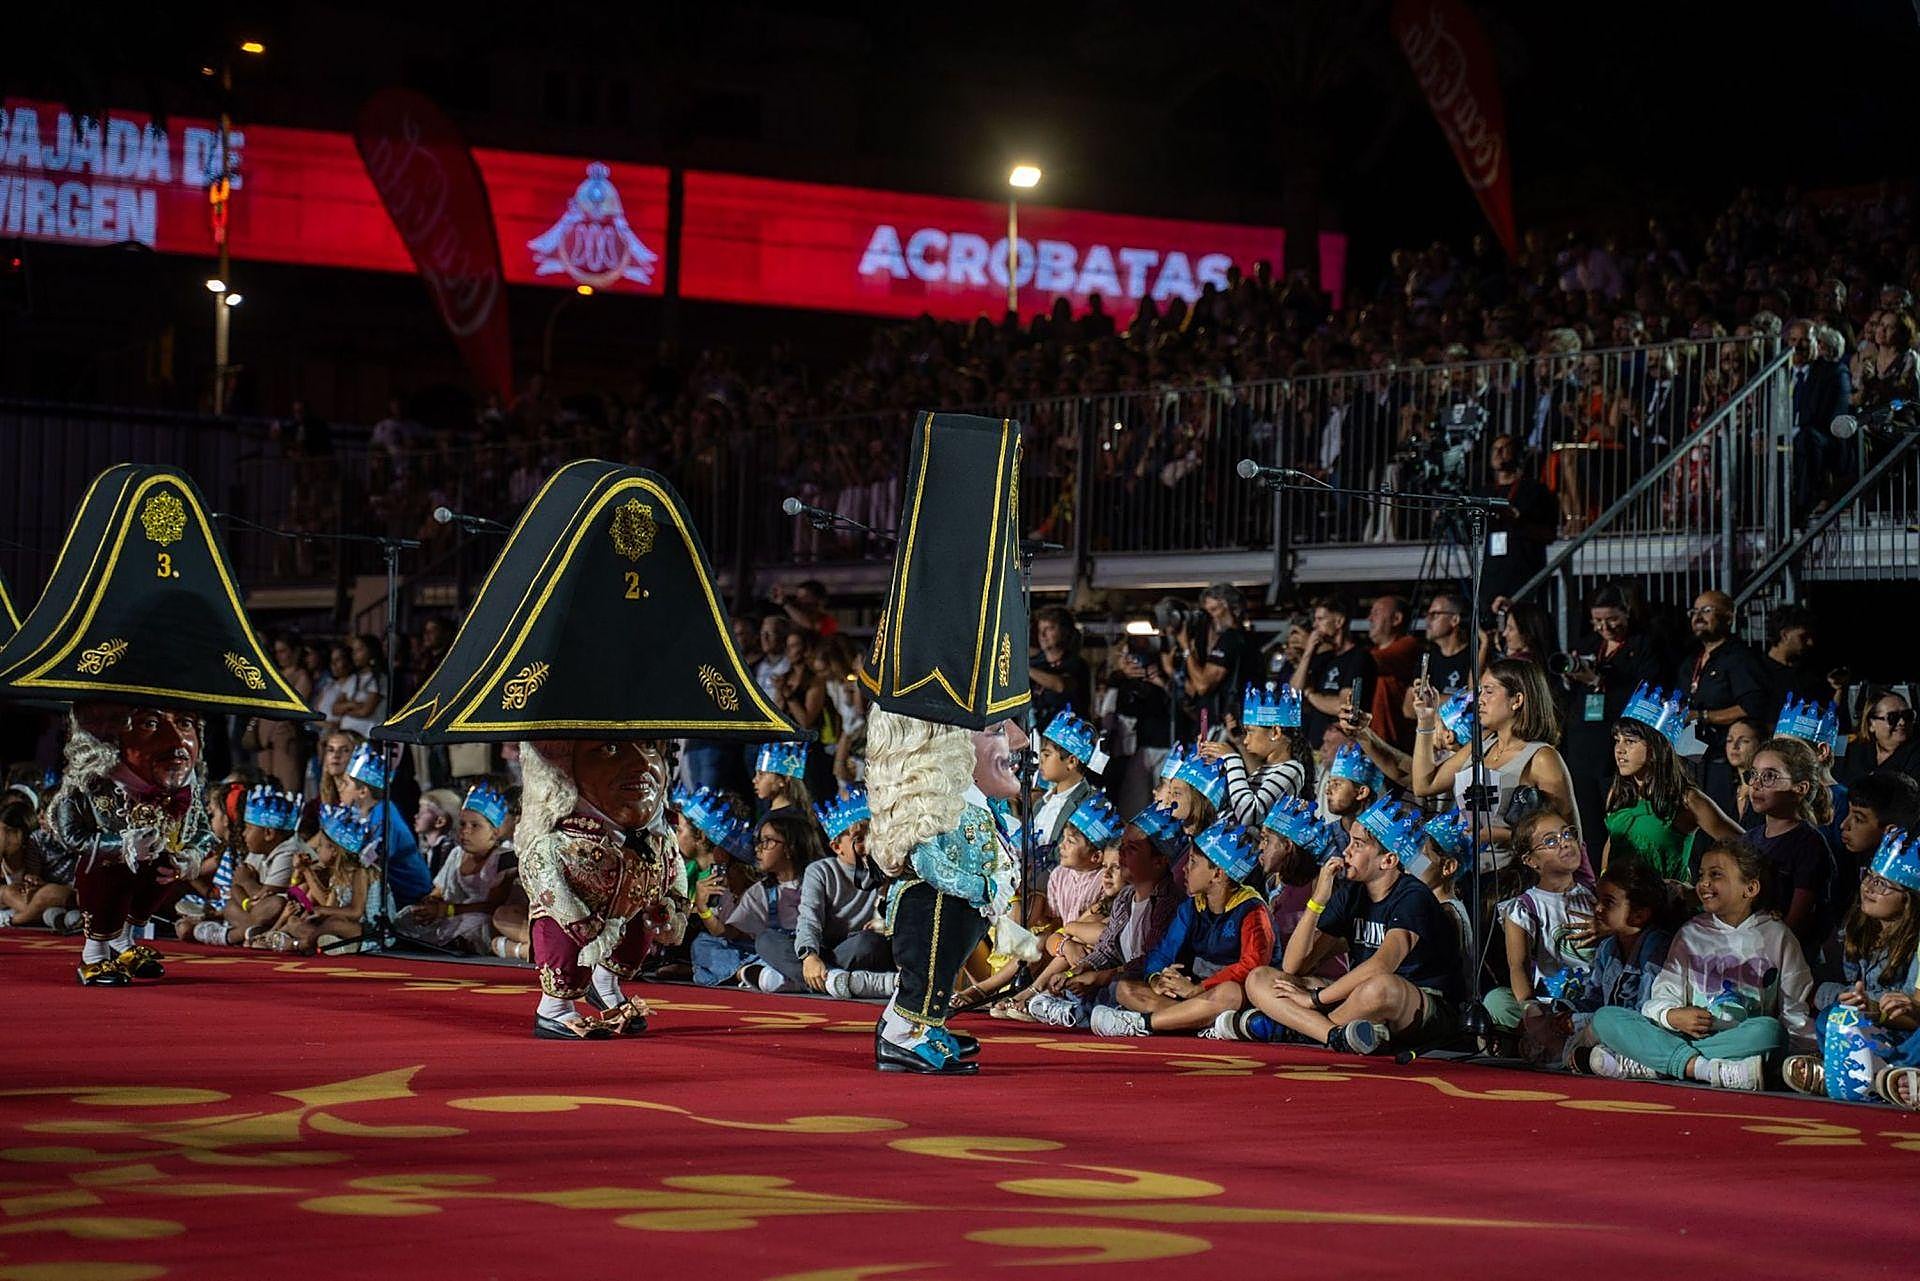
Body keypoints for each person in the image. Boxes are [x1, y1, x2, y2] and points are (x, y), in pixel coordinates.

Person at [1228, 795, 1466, 1055]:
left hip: (1421, 1004)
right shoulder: (1351, 893)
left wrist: (1314, 1000)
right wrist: (1317, 902)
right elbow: (1294, 965)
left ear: (1388, 860)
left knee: (1381, 987)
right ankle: (1333, 1035)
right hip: (1357, 1000)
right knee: (1260, 978)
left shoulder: (1413, 896)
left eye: (1358, 844)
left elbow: (1382, 965)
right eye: (1350, 841)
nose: (1346, 851)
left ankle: (1294, 1029)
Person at [866, 708, 1025, 1074]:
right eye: (998, 729)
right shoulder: (936, 801)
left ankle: (912, 1028)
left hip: (958, 910)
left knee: (940, 973)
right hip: (932, 906)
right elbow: (929, 864)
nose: (1019, 740)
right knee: (926, 976)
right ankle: (905, 1040)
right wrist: (983, 887)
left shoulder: (972, 801)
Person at [1587, 839, 1815, 1091]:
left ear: (1749, 888)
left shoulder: (1777, 936)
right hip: (1684, 1035)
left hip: (1738, 1040)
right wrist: (1673, 1016)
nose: (1703, 883)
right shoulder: (1691, 933)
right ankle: (1702, 1069)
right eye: (1701, 875)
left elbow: (1794, 1011)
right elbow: (1658, 999)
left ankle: (1658, 1063)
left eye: (1715, 875)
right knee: (1606, 1018)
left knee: (1770, 1032)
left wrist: (1799, 1060)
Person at [518, 738, 689, 1040]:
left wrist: (674, 906)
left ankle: (606, 984)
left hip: (631, 907)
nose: (643, 764)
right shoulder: (560, 843)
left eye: (649, 746)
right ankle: (555, 1008)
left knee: (639, 932)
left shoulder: (657, 834)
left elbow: (674, 868)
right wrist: (585, 927)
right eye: (610, 748)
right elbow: (542, 876)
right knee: (563, 938)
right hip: (578, 921)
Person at [1093, 819, 1272, 1037]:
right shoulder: (1191, 907)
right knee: (1125, 988)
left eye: (1193, 863)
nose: (1185, 869)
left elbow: (1251, 965)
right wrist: (1158, 979)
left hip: (1229, 993)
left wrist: (1200, 988)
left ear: (1218, 874)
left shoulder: (1251, 909)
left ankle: (1145, 1023)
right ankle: (1203, 1023)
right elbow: (1161, 953)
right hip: (1196, 995)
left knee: (1229, 993)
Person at [1783, 828, 1920, 1099]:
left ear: (1909, 900)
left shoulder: (1915, 943)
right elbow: (1822, 982)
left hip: (1905, 1033)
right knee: (1829, 1019)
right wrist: (1849, 1000)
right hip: (1874, 1031)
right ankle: (1876, 1079)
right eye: (1869, 876)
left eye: (1882, 884)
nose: (1868, 887)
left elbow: (1913, 1016)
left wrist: (1878, 1007)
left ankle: (1871, 1079)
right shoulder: (1855, 928)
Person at [1412, 658, 1582, 871]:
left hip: (1514, 880)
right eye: (1480, 691)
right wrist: (1426, 720)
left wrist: (1505, 835)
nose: (1479, 700)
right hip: (1469, 875)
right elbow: (1424, 785)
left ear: (1517, 700)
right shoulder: (1481, 743)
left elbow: (1570, 839)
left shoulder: (1542, 758)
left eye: (1489, 691)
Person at [1023, 815, 1181, 1029]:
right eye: (1122, 847)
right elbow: (1107, 950)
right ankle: (1083, 1010)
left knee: (1119, 988)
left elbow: (1150, 960)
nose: (1122, 855)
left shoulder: (1170, 901)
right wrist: (1076, 972)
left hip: (1151, 983)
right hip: (1121, 978)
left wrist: (1097, 977)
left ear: (1159, 861)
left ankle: (1091, 1015)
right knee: (1081, 985)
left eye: (1132, 849)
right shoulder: (1125, 898)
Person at [1559, 585, 1666, 845]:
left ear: (1626, 612)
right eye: (1597, 621)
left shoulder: (1644, 646)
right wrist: (1568, 679)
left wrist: (1598, 680)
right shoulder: (1589, 644)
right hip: (1582, 745)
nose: (1604, 627)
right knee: (1586, 824)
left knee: (1619, 821)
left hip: (1616, 747)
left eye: (1612, 619)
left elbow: (1646, 694)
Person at [1601, 685, 1742, 881]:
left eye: (1630, 741)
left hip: (1665, 907)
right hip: (1620, 905)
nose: (1619, 749)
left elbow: (1744, 845)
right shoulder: (1619, 792)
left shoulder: (1687, 799)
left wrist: (1706, 888)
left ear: (1657, 746)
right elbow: (1613, 841)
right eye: (1618, 740)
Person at [1486, 808, 1598, 1031]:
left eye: (1567, 834)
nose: (1565, 843)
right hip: (1551, 1002)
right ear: (1530, 860)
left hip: (1596, 997)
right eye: (1551, 840)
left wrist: (1606, 927)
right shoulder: (1524, 908)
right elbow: (1518, 966)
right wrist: (1529, 1007)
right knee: (1497, 1001)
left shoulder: (1596, 895)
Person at [1744, 737, 1839, 963]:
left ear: (1800, 788)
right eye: (1754, 774)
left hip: (1786, 961)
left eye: (1769, 776)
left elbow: (1797, 921)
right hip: (1746, 950)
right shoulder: (1749, 839)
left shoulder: (1809, 845)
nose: (1756, 784)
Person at [794, 788, 894, 1000]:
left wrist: (884, 926)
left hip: (861, 948)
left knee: (868, 943)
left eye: (872, 835)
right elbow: (809, 918)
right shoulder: (820, 871)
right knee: (768, 940)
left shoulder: (887, 868)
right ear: (837, 847)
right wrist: (809, 956)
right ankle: (837, 980)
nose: (868, 844)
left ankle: (809, 980)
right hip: (827, 951)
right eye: (858, 839)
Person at [395, 782, 514, 955]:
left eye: (475, 826)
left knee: (477, 921)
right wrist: (431, 902)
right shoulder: (457, 853)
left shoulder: (503, 858)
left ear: (494, 832)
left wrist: (447, 910)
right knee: (407, 915)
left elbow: (493, 906)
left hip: (474, 916)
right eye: (463, 824)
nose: (465, 831)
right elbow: (439, 889)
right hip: (449, 913)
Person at [1677, 592, 1768, 816]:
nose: (1698, 616)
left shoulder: (1740, 659)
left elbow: (1752, 706)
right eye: (1695, 611)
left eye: (1707, 610)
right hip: (1692, 757)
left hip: (1723, 759)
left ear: (1728, 617)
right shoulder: (1691, 661)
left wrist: (1704, 716)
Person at [181, 787, 304, 947]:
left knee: (275, 904)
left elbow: (267, 895)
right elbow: (235, 887)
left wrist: (246, 883)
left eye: (249, 828)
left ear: (268, 833)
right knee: (230, 905)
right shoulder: (258, 849)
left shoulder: (289, 851)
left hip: (280, 910)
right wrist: (247, 902)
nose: (244, 833)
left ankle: (231, 936)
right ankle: (252, 932)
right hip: (254, 910)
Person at [729, 808, 824, 994]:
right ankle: (809, 979)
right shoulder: (760, 891)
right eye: (759, 842)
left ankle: (795, 980)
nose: (758, 848)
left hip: (817, 950)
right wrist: (705, 910)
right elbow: (733, 933)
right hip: (780, 953)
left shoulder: (819, 878)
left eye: (768, 841)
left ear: (790, 848)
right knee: (765, 940)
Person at [336, 743, 432, 908]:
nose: (340, 788)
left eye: (345, 784)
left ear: (363, 792)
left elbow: (370, 860)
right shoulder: (362, 813)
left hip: (412, 900)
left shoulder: (385, 815)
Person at [1204, 684, 1312, 827]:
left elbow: (1248, 814)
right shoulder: (1265, 770)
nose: (1246, 740)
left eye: (1251, 732)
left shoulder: (1291, 770)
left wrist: (1233, 760)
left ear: (1275, 733)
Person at [1477, 433, 1558, 608]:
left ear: (1516, 454)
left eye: (1504, 448)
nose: (1499, 453)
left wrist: (1518, 520)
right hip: (1492, 573)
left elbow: (1549, 533)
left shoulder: (1534, 490)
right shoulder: (1485, 493)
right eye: (1495, 449)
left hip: (1523, 570)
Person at [1290, 594, 1374, 752]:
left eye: (1320, 619)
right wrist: (1308, 653)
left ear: (1339, 622)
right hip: (1315, 745)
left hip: (1342, 749)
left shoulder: (1359, 658)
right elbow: (1293, 694)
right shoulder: (1323, 659)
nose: (1315, 625)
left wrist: (1309, 694)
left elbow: (1344, 705)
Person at [1028, 710, 1104, 871]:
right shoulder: (1041, 804)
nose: (1040, 762)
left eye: (1047, 755)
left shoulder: (1089, 808)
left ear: (1071, 762)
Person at [1366, 595, 1420, 750]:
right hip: (1370, 741)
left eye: (1376, 613)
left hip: (1394, 745)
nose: (1369, 618)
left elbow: (1368, 663)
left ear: (1396, 619)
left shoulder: (1407, 645)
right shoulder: (1372, 652)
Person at [1029, 606, 1092, 726]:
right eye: (1040, 629)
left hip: (1071, 736)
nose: (1042, 635)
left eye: (1049, 629)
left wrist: (1025, 670)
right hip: (1040, 735)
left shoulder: (1076, 664)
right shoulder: (1035, 664)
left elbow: (1061, 686)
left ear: (1065, 631)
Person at [1839, 690, 1920, 784]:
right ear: (1871, 724)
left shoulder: (1915, 754)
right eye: (1892, 717)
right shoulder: (1856, 750)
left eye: (1907, 715)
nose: (1902, 722)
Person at [751, 741, 813, 815]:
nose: (754, 780)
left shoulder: (774, 824)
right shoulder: (800, 813)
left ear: (783, 780)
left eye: (761, 774)